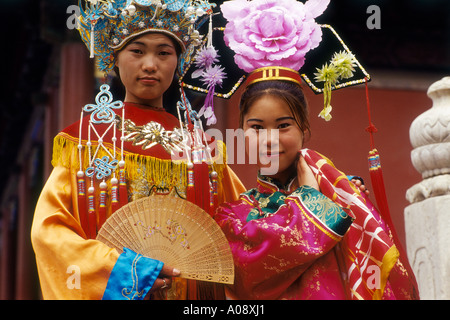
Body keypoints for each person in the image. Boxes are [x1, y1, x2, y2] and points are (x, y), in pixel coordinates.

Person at [31, 1, 245, 300]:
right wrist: (127, 273)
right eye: (137, 51)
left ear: (178, 62)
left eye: (163, 53)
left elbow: (242, 232)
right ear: (114, 59)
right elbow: (50, 232)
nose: (149, 64)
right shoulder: (87, 142)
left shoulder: (203, 152)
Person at [213, 0, 419, 300]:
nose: (270, 139)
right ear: (242, 133)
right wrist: (309, 198)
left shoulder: (341, 195)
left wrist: (333, 194)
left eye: (283, 126)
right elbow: (248, 272)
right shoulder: (234, 215)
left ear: (304, 131)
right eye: (257, 127)